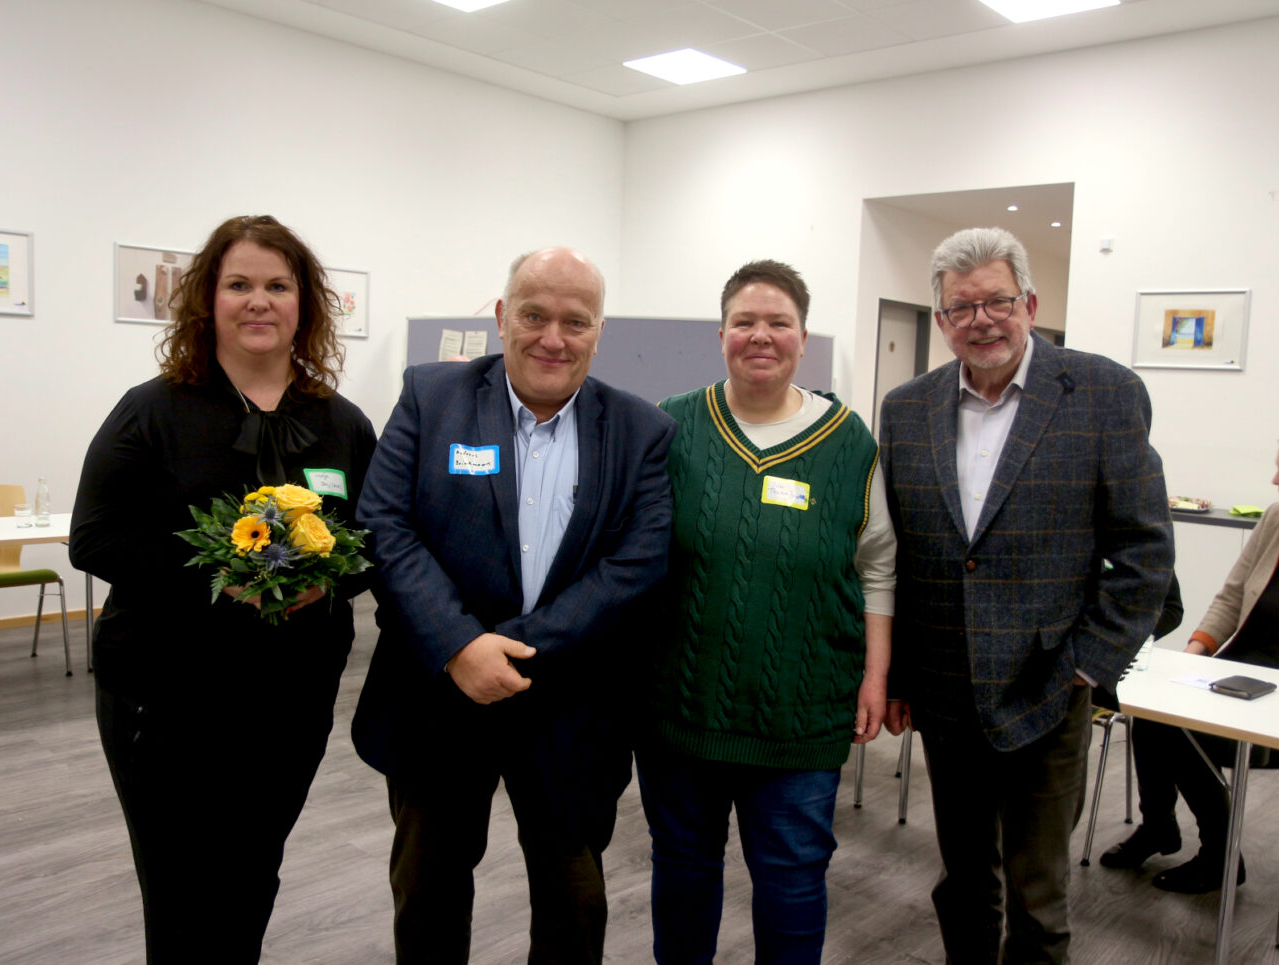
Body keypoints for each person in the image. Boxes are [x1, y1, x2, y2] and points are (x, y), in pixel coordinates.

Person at [350, 247, 676, 964]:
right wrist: (460, 646)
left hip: (569, 706)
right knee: (428, 893)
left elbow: (637, 564)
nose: (552, 337)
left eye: (574, 320)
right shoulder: (431, 397)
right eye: (533, 314)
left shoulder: (640, 430)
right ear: (502, 317)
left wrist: (514, 647)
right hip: (439, 696)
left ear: (598, 332)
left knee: (574, 904)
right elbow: (383, 527)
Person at [70, 214, 377, 963]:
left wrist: (329, 582)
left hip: (292, 697)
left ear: (306, 304)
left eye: (278, 285)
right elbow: (95, 537)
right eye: (239, 284)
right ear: (208, 299)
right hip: (168, 697)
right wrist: (220, 577)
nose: (258, 301)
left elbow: (377, 541)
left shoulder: (339, 423)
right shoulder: (152, 410)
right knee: (179, 888)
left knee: (252, 869)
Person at [879, 227, 1174, 963]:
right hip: (948, 692)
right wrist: (905, 674)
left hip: (1048, 685)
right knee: (962, 880)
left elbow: (1144, 552)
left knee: (1038, 897)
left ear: (1031, 303)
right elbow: (908, 554)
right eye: (961, 307)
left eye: (997, 301)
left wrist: (1086, 664)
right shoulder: (906, 408)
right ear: (942, 320)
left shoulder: (1103, 392)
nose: (981, 319)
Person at [636, 260, 895, 964]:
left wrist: (875, 675)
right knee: (684, 868)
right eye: (745, 321)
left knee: (792, 876)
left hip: (803, 712)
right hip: (681, 708)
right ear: (720, 334)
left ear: (802, 337)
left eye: (778, 322)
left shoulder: (849, 441)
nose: (761, 335)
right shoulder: (671, 425)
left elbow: (878, 564)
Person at [1100, 425, 1279, 893]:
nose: (1275, 480)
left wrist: (1275, 698)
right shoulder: (1278, 518)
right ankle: (1159, 827)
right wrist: (1193, 655)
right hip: (1234, 673)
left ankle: (1219, 856)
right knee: (1151, 712)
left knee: (1177, 731)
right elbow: (1231, 596)